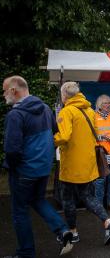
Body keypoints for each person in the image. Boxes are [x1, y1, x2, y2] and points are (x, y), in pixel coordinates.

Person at [2, 76, 73, 257]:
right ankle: (63, 230)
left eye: (4, 90)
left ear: (13, 90)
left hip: (24, 171)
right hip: (43, 169)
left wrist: (13, 167)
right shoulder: (46, 109)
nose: (3, 95)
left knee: (19, 212)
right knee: (38, 200)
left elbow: (12, 150)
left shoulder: (15, 115)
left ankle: (26, 253)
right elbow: (55, 133)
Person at [54, 82, 110, 245]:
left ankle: (74, 233)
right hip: (88, 162)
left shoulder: (66, 111)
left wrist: (51, 138)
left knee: (67, 199)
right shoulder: (90, 110)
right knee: (88, 196)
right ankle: (108, 222)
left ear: (65, 95)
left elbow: (64, 136)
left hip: (71, 165)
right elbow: (97, 134)